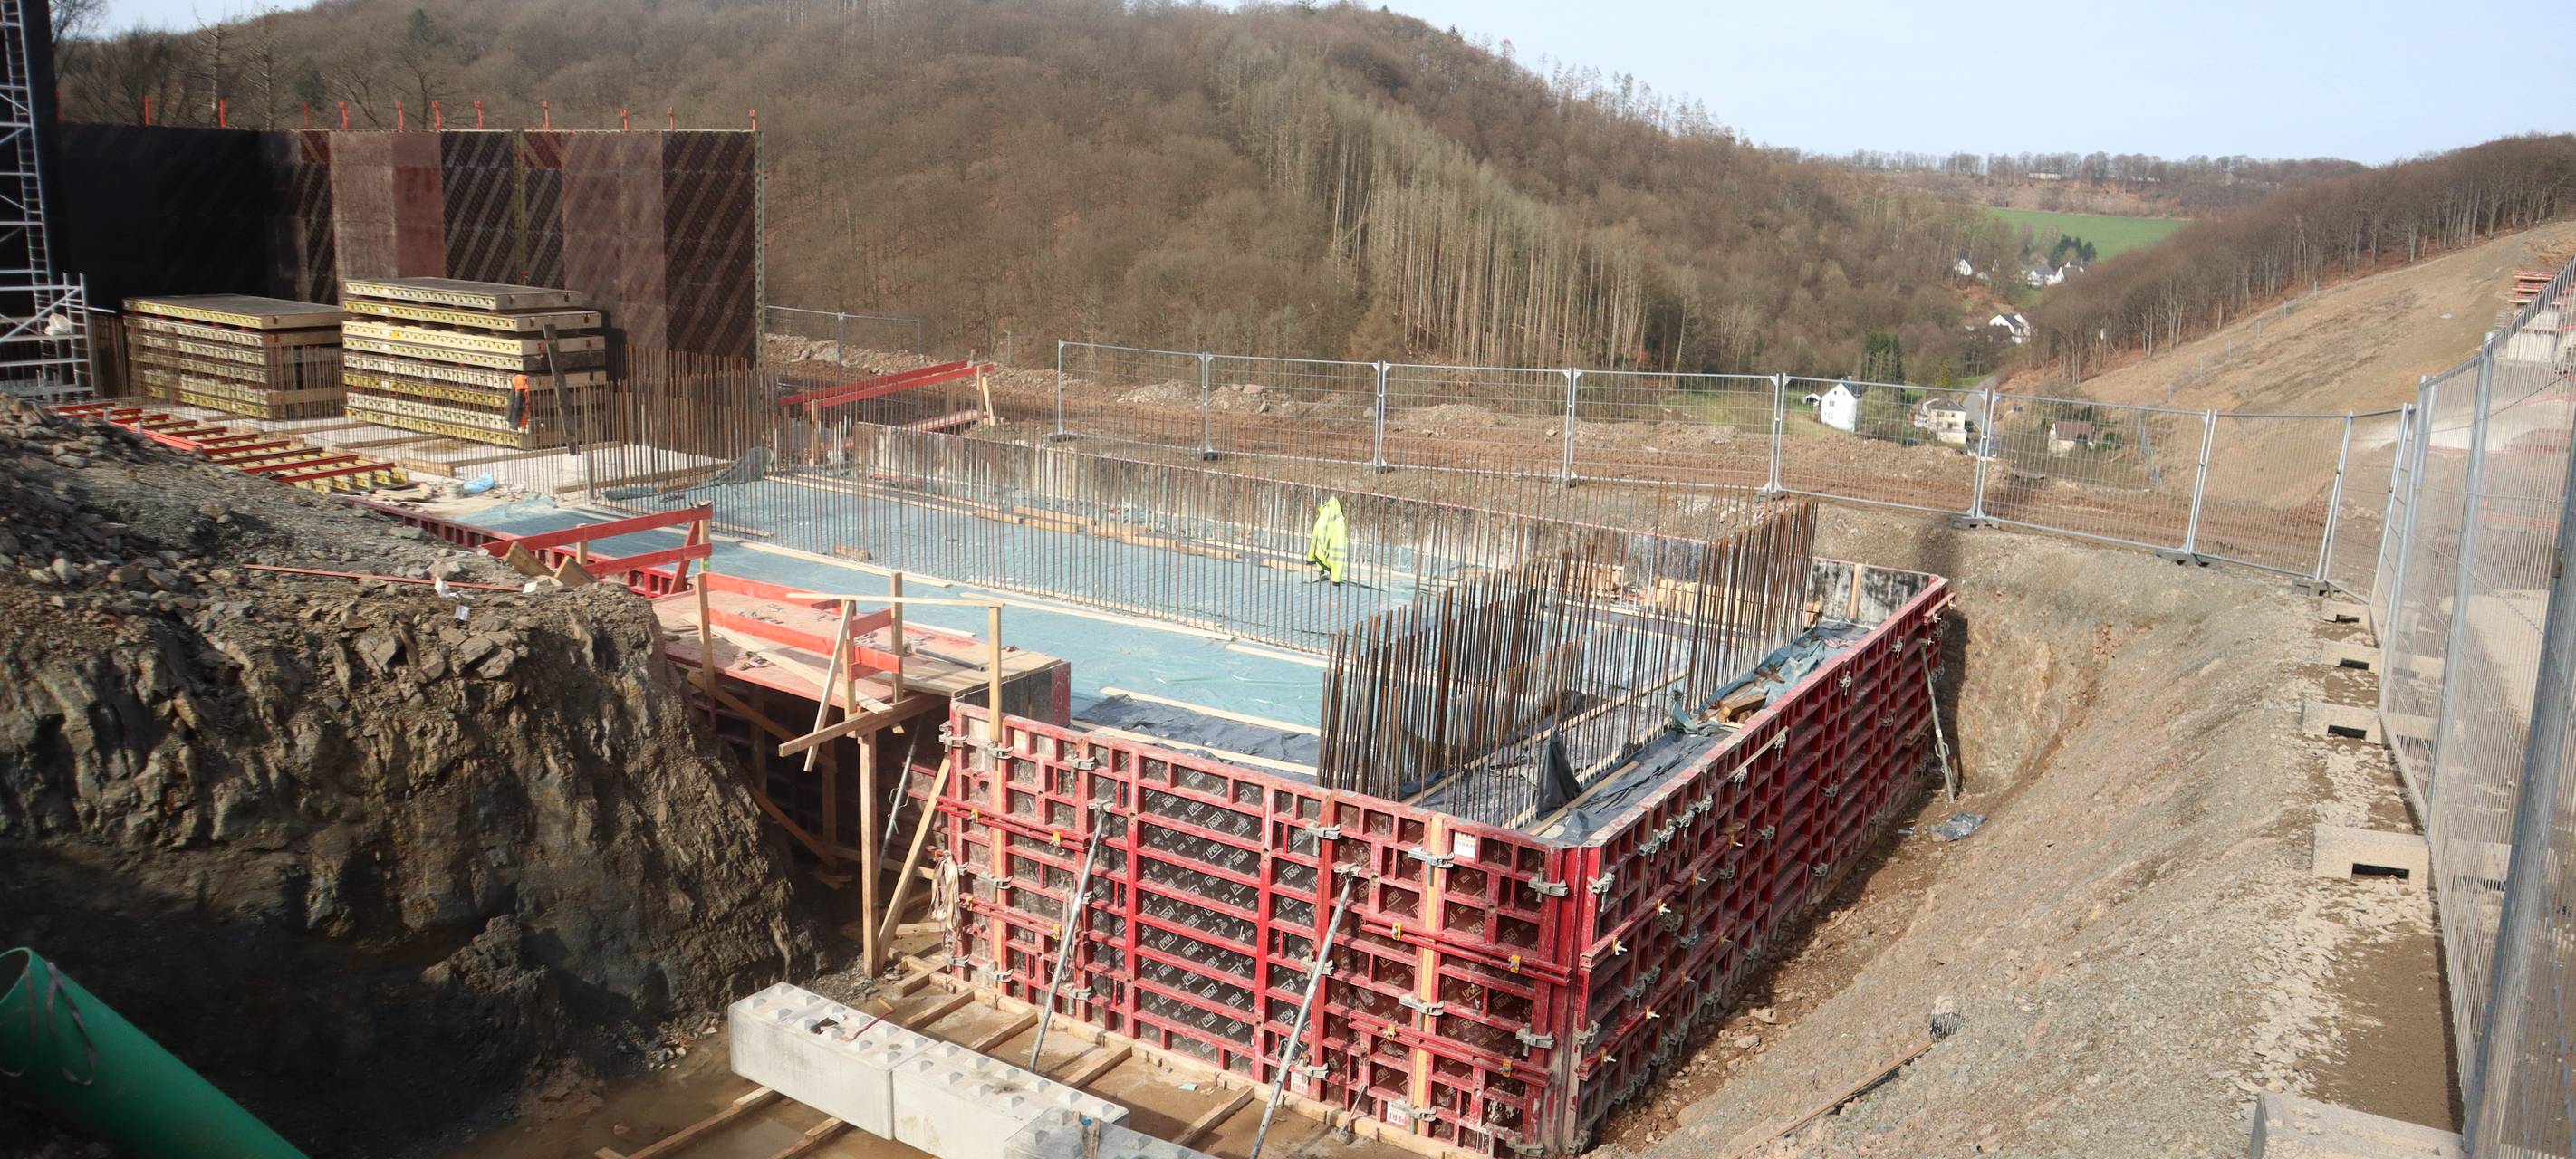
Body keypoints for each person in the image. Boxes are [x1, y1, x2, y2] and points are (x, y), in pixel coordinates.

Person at [1307, 495, 1347, 584]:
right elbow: (1338, 549)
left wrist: (1311, 558)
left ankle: (1323, 571)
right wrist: (1336, 579)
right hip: (1330, 560)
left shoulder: (1324, 515)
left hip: (1320, 556)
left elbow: (1315, 535)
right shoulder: (1339, 523)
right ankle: (1333, 576)